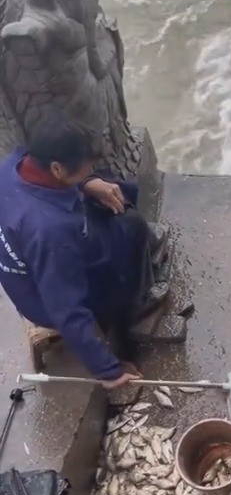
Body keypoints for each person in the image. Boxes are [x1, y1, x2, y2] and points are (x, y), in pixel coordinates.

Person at [0, 117, 167, 389]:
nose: (90, 167)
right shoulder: (52, 232)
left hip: (32, 261)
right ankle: (135, 308)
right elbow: (67, 310)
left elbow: (75, 180)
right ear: (56, 168)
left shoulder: (13, 165)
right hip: (43, 296)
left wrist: (88, 181)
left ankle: (120, 218)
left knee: (117, 190)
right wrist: (109, 370)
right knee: (131, 228)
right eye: (85, 166)